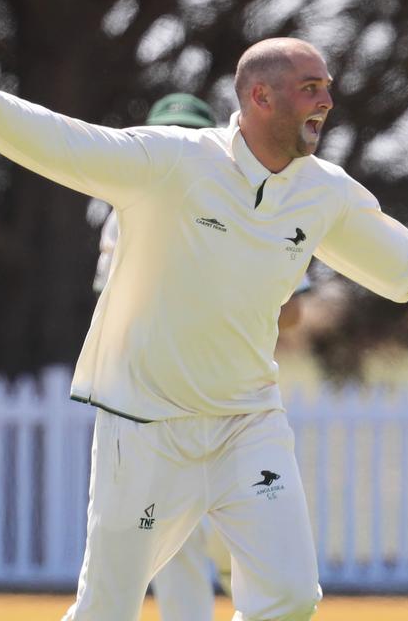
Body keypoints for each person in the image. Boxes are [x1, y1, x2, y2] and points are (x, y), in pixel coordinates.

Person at [0, 17, 408, 621]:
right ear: (261, 97)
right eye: (311, 87)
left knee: (290, 596)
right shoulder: (174, 162)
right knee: (107, 610)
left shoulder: (324, 194)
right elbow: (61, 145)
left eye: (327, 87)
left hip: (247, 424)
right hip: (145, 430)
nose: (327, 101)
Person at [94, 93, 312, 621]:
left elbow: (291, 315)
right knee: (158, 558)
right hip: (156, 413)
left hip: (238, 410)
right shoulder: (127, 215)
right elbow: (118, 310)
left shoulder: (259, 207)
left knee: (277, 577)